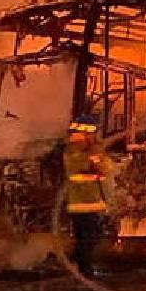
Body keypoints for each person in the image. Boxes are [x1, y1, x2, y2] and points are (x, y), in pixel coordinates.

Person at [63, 114, 111, 275]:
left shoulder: (84, 150)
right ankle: (82, 268)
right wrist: (95, 161)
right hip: (82, 203)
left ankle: (76, 264)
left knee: (88, 237)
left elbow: (106, 170)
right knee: (89, 237)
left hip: (88, 201)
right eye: (93, 133)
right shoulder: (74, 151)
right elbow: (77, 172)